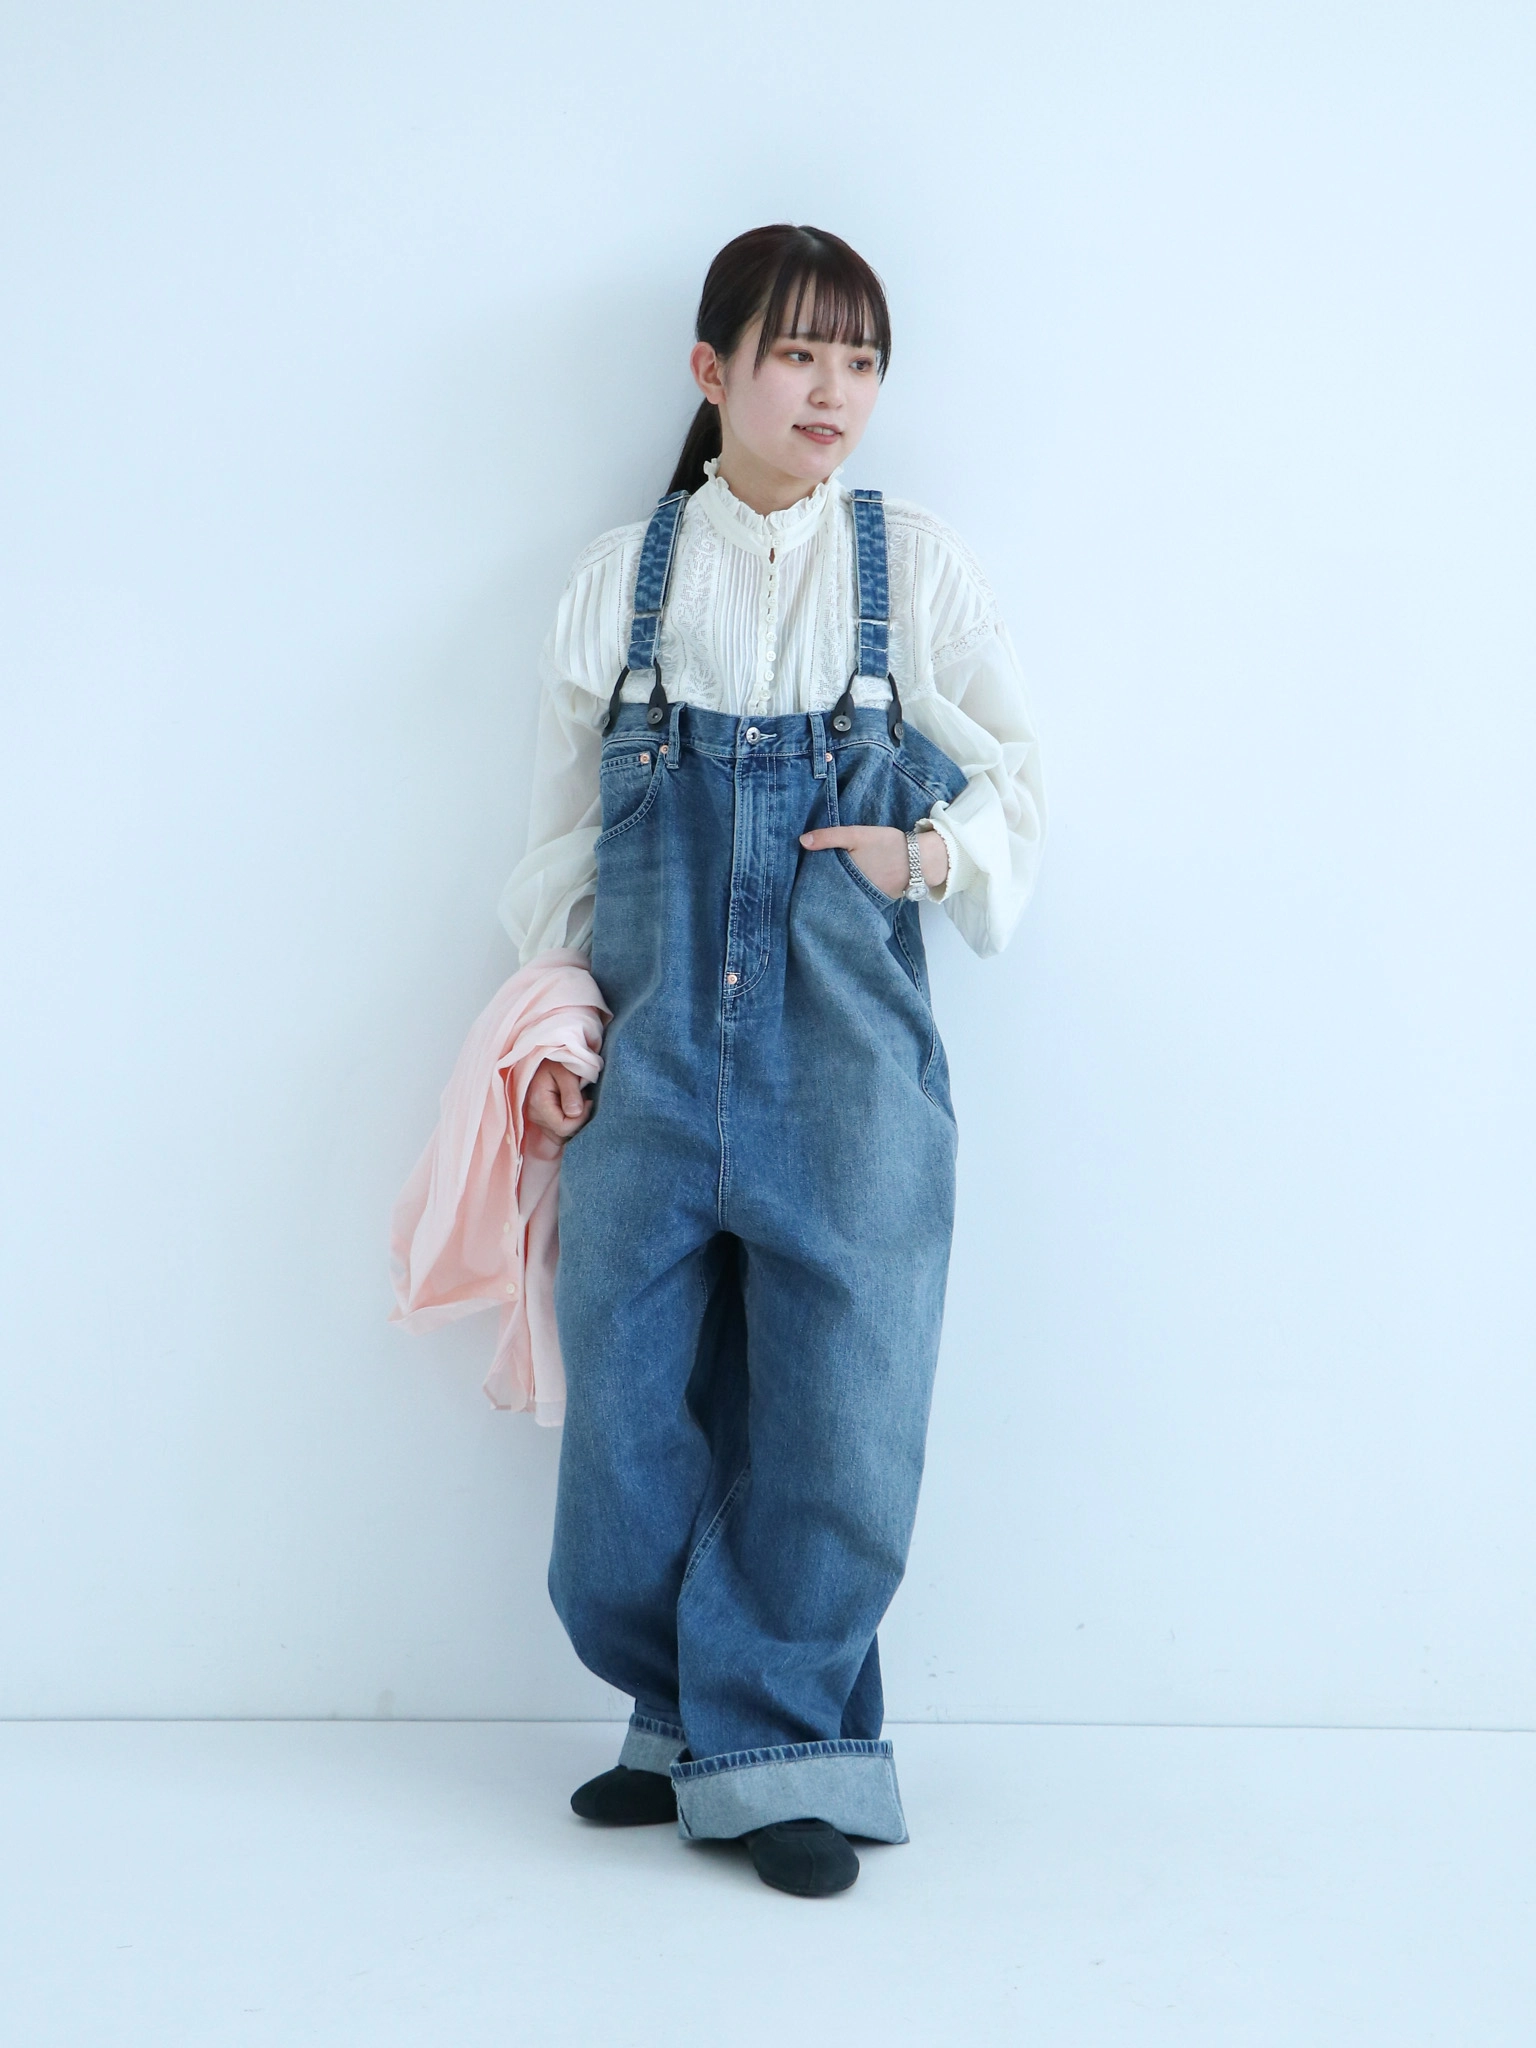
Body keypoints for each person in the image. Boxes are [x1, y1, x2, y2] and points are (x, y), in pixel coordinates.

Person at [497, 224, 1046, 1897]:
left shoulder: (910, 567)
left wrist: (925, 855)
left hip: (847, 1060)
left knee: (841, 1417)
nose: (834, 391)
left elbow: (1020, 780)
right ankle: (682, 1718)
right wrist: (558, 1024)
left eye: (862, 359)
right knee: (629, 1418)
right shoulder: (621, 581)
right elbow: (560, 843)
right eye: (800, 352)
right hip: (651, 1059)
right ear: (712, 368)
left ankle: (782, 1747)